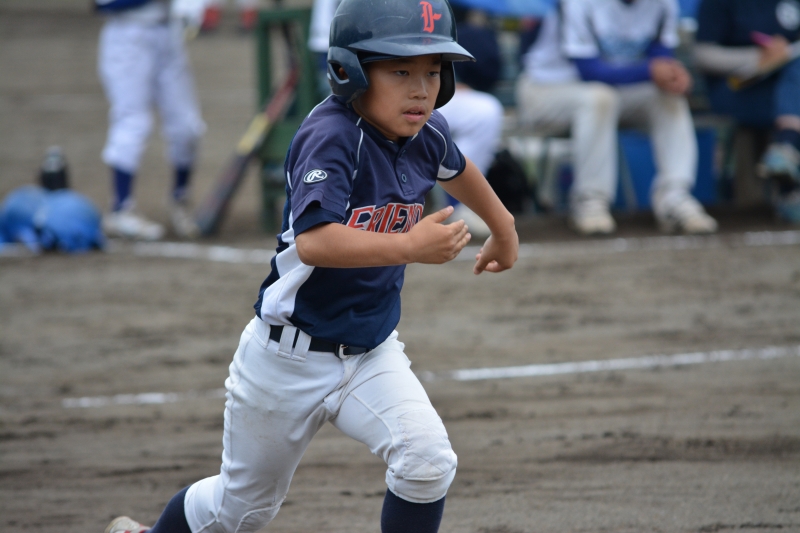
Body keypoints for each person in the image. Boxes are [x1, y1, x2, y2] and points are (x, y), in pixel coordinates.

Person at [103, 0, 518, 532]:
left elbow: (457, 168)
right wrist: (409, 245)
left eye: (433, 72)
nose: (421, 89)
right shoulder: (330, 135)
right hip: (286, 359)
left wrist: (503, 227)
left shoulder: (424, 130)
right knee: (241, 510)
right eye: (400, 71)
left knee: (427, 460)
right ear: (350, 71)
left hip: (370, 352)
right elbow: (316, 243)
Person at [516, 0, 718, 235]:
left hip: (614, 90)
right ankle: (590, 200)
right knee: (600, 98)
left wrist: (672, 75)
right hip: (546, 90)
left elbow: (659, 58)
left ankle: (674, 197)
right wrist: (650, 70)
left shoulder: (663, 3)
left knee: (668, 98)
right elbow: (589, 69)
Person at [96, 0, 206, 240]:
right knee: (133, 122)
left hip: (169, 34)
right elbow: (103, 4)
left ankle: (180, 201)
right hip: (128, 37)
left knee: (186, 126)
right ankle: (120, 209)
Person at [694, 0, 800, 223]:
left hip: (782, 88)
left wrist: (785, 53)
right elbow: (703, 55)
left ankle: (787, 156)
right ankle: (787, 163)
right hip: (736, 87)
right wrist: (758, 56)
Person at [438, 7, 505, 237]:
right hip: (384, 91)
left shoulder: (474, 28)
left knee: (484, 111)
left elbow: (489, 71)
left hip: (434, 89)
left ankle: (462, 205)